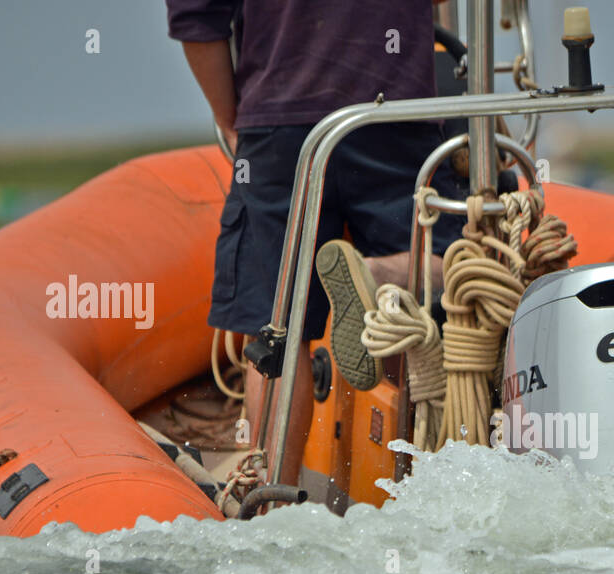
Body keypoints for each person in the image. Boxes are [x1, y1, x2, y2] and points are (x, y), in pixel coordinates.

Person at [166, 0, 463, 483]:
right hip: (400, 111)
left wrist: (231, 117)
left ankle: (270, 496)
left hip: (280, 121)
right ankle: (383, 272)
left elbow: (196, 17)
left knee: (279, 327)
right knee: (455, 273)